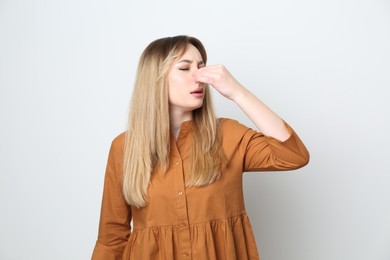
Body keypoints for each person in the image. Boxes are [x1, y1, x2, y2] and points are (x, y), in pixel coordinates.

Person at [91, 35, 309, 260]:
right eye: (185, 68)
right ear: (155, 79)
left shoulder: (228, 135)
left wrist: (237, 93)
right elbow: (111, 238)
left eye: (201, 67)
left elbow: (293, 155)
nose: (199, 77)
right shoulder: (124, 147)